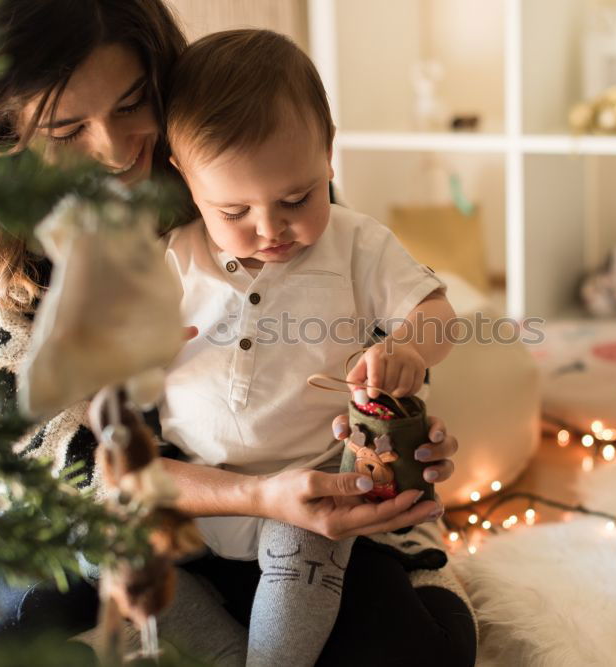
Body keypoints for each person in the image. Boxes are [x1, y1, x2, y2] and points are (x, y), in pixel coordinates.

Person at [0, 1, 468, 665]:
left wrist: (397, 417)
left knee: (420, 647)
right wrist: (252, 495)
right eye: (66, 129)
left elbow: (368, 318)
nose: (116, 150)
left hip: (300, 499)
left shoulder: (244, 162)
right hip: (98, 518)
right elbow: (62, 468)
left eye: (131, 103)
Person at [160, 28, 459, 667]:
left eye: (296, 199)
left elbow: (438, 313)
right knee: (113, 561)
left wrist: (408, 347)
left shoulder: (355, 243)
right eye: (234, 211)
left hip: (316, 492)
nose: (270, 230)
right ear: (185, 180)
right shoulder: (172, 258)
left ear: (329, 157)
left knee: (312, 565)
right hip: (196, 491)